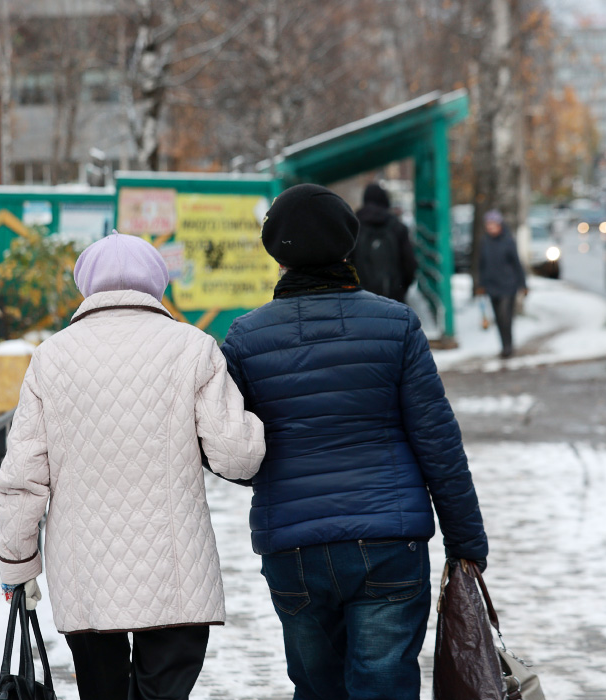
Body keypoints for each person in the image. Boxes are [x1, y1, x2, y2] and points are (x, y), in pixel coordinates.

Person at [219, 184, 489, 700]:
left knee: (318, 690)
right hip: (389, 540)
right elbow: (438, 441)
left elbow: (232, 452)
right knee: (384, 686)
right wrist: (466, 540)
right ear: (349, 248)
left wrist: (268, 473)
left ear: (277, 254)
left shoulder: (244, 339)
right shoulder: (396, 325)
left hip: (293, 548)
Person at [0, 233, 266, 700]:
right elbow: (238, 457)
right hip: (176, 570)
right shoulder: (193, 347)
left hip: (86, 574)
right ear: (157, 284)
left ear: (86, 286)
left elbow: (22, 477)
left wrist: (18, 565)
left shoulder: (50, 358)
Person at [350, 182, 417, 303]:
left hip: (362, 302)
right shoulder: (398, 227)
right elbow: (410, 265)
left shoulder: (353, 227)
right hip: (394, 300)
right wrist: (401, 289)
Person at [477, 209, 528, 359]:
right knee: (498, 319)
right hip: (492, 286)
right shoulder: (485, 242)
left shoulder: (508, 240)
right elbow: (482, 265)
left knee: (505, 316)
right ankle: (504, 345)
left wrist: (522, 284)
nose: (490, 227)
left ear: (499, 225)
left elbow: (517, 264)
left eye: (493, 224)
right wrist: (481, 284)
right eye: (488, 225)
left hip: (508, 285)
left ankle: (508, 346)